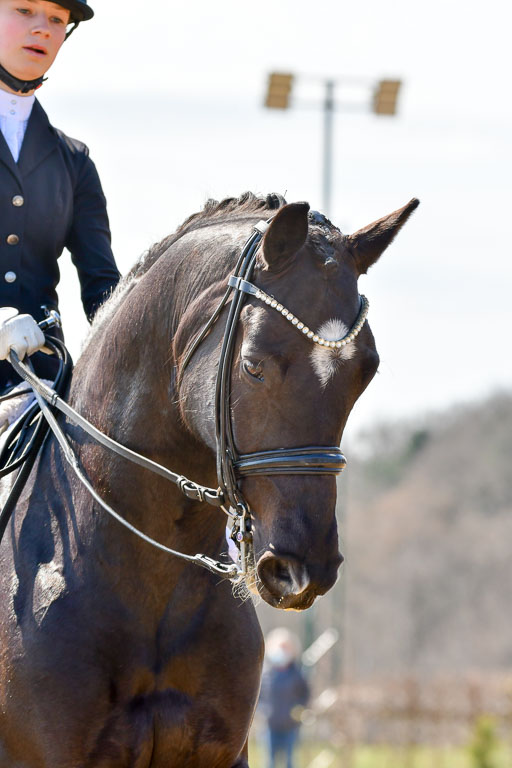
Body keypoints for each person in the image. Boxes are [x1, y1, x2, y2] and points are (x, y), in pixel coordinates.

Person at [0, 0, 120, 407]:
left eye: (55, 19)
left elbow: (103, 288)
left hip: (44, 383)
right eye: (24, 10)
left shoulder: (74, 161)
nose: (43, 29)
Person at [259, 628, 310, 768]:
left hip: (290, 727)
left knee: (289, 762)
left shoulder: (297, 674)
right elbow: (258, 698)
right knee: (269, 763)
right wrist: (263, 711)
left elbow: (304, 694)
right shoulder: (265, 674)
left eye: (285, 647)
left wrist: (298, 710)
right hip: (269, 726)